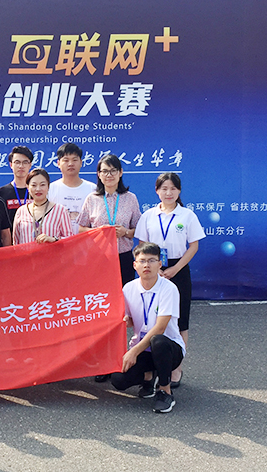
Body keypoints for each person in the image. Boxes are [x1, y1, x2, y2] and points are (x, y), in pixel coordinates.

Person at [134, 172, 205, 388]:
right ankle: (152, 366)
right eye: (164, 188)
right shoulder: (148, 215)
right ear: (157, 191)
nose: (168, 193)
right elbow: (142, 245)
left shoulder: (187, 215)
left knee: (180, 318)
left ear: (179, 191)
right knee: (151, 316)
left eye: (173, 188)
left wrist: (175, 268)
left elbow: (193, 245)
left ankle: (176, 368)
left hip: (178, 269)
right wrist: (152, 268)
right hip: (152, 268)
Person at [107, 241, 185, 413]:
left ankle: (165, 391)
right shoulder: (129, 288)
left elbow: (160, 328)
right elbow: (128, 320)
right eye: (142, 261)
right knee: (118, 380)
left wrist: (133, 352)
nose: (146, 265)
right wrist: (125, 321)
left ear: (160, 264)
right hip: (143, 348)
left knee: (158, 341)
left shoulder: (169, 289)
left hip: (168, 348)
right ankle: (148, 378)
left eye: (151, 260)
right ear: (135, 265)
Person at [77, 154, 142, 285]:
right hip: (98, 257)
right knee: (100, 293)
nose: (109, 175)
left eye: (113, 171)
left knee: (124, 293)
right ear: (99, 174)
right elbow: (80, 229)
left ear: (120, 172)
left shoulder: (130, 198)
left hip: (123, 257)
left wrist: (125, 232)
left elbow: (139, 230)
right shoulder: (92, 199)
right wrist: (97, 232)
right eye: (105, 171)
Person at [12, 168, 72, 245]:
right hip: (27, 253)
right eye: (34, 185)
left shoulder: (60, 211)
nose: (38, 189)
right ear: (28, 187)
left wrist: (54, 239)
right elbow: (16, 242)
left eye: (42, 185)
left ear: (48, 187)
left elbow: (70, 240)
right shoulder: (21, 211)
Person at [48, 142, 95, 235]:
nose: (70, 164)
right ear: (58, 163)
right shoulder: (50, 189)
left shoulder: (92, 189)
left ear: (81, 163)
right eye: (66, 160)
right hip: (57, 242)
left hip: (86, 242)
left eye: (74, 160)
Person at [0, 145, 33, 224]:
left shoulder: (37, 191)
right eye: (17, 162)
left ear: (30, 165)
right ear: (11, 165)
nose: (21, 166)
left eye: (25, 162)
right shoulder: (1, 193)